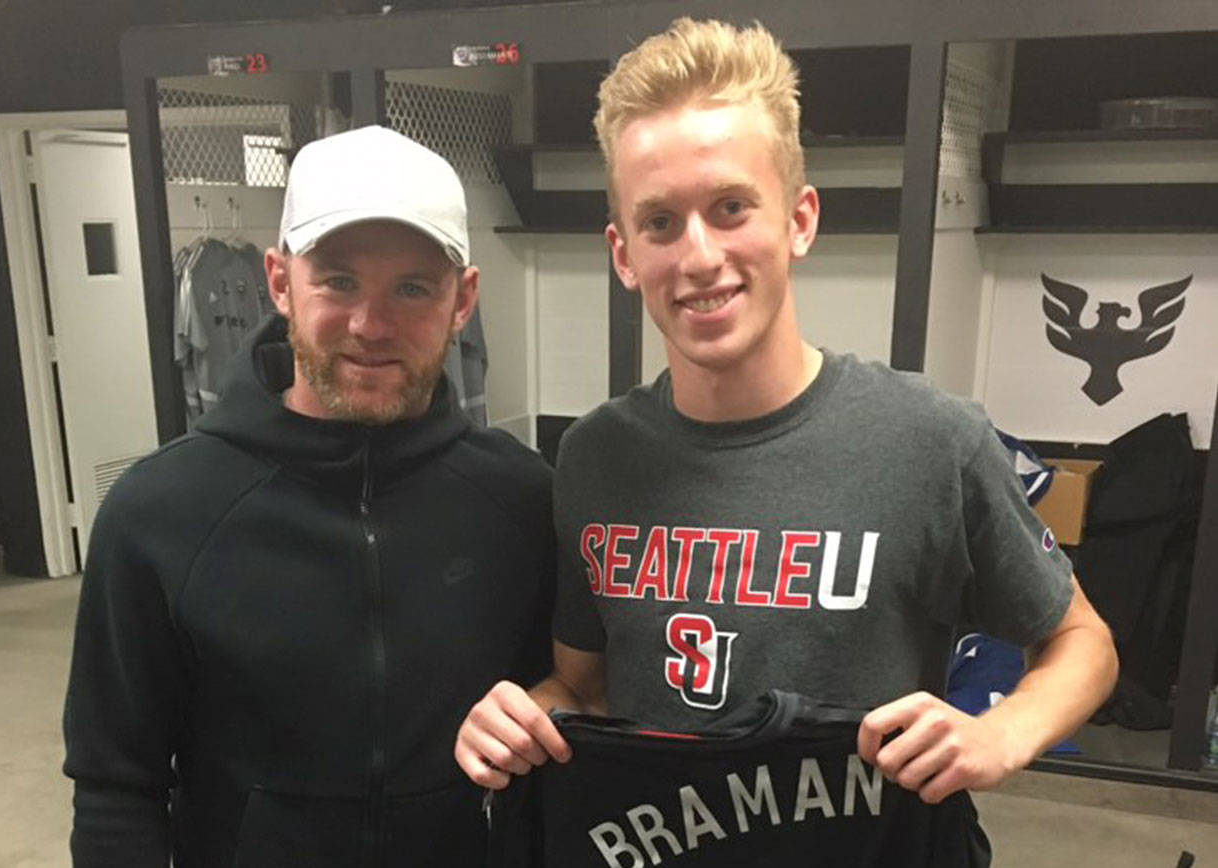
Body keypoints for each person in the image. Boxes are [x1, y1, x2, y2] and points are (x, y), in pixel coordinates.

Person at [455, 16, 1117, 814]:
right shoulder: (596, 457)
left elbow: (1084, 643)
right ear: (624, 253)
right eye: (660, 221)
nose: (699, 256)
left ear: (800, 219)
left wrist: (1000, 733)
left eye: (731, 206)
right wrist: (518, 718)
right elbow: (584, 688)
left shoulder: (929, 441)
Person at [64, 125, 555, 867]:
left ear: (464, 301)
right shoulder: (158, 514)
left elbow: (575, 708)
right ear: (280, 281)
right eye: (338, 280)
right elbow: (113, 789)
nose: (370, 325)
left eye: (413, 287)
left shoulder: (523, 502)